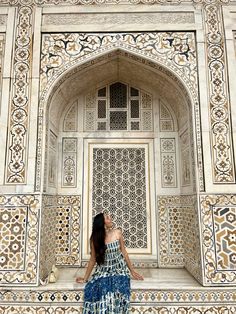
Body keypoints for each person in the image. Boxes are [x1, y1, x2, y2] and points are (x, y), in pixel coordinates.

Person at [76, 212, 143, 313]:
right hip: (103, 270)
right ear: (102, 223)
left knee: (114, 289)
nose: (110, 218)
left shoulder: (117, 233)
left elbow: (124, 252)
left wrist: (132, 271)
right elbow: (93, 259)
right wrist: (85, 278)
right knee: (100, 289)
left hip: (119, 269)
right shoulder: (95, 239)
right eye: (107, 218)